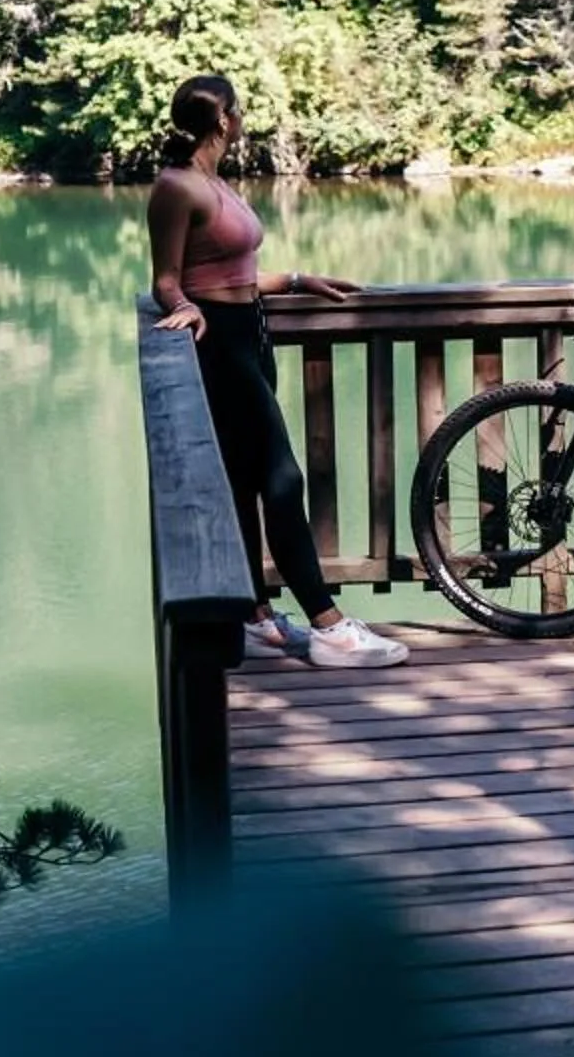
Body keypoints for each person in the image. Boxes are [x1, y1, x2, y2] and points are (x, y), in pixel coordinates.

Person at [148, 75, 409, 671]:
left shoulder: (215, 181)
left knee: (246, 479)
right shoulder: (176, 187)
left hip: (251, 334)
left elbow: (231, 271)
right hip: (219, 347)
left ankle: (257, 616)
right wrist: (181, 307)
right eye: (238, 113)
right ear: (224, 121)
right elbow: (168, 278)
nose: (242, 121)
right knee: (282, 479)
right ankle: (330, 628)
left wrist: (295, 280)